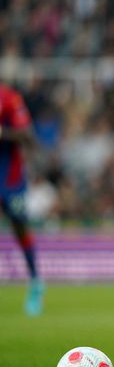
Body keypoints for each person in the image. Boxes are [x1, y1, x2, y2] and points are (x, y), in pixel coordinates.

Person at [0, 83, 43, 316]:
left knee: (19, 227)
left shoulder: (8, 98)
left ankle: (35, 282)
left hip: (9, 180)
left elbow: (25, 133)